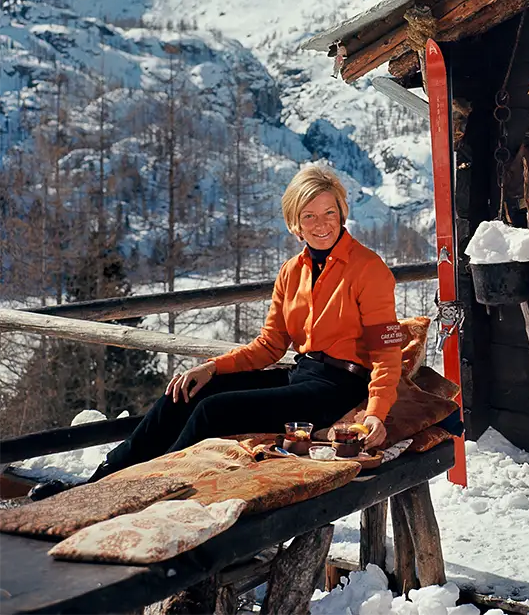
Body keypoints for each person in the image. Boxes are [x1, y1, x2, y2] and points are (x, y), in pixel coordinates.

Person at [31, 165, 403, 500]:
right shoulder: (292, 271)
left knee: (216, 409)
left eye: (330, 213)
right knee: (189, 392)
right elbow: (270, 345)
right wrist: (211, 368)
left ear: (342, 214)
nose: (322, 224)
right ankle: (101, 481)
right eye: (310, 216)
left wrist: (376, 412)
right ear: (295, 223)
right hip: (301, 375)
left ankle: (149, 489)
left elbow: (387, 352)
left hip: (338, 387)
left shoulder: (368, 269)